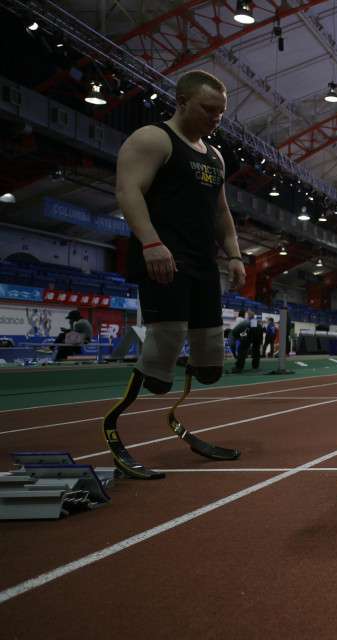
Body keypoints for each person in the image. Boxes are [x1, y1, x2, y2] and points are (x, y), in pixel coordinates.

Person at [105, 70, 245, 480]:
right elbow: (127, 191)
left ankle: (174, 395)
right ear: (182, 101)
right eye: (208, 109)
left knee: (211, 364)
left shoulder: (214, 156)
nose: (216, 118)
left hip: (203, 264)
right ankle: (114, 422)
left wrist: (235, 256)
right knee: (163, 356)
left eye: (221, 112)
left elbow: (221, 211)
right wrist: (150, 243)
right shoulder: (153, 139)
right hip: (164, 257)